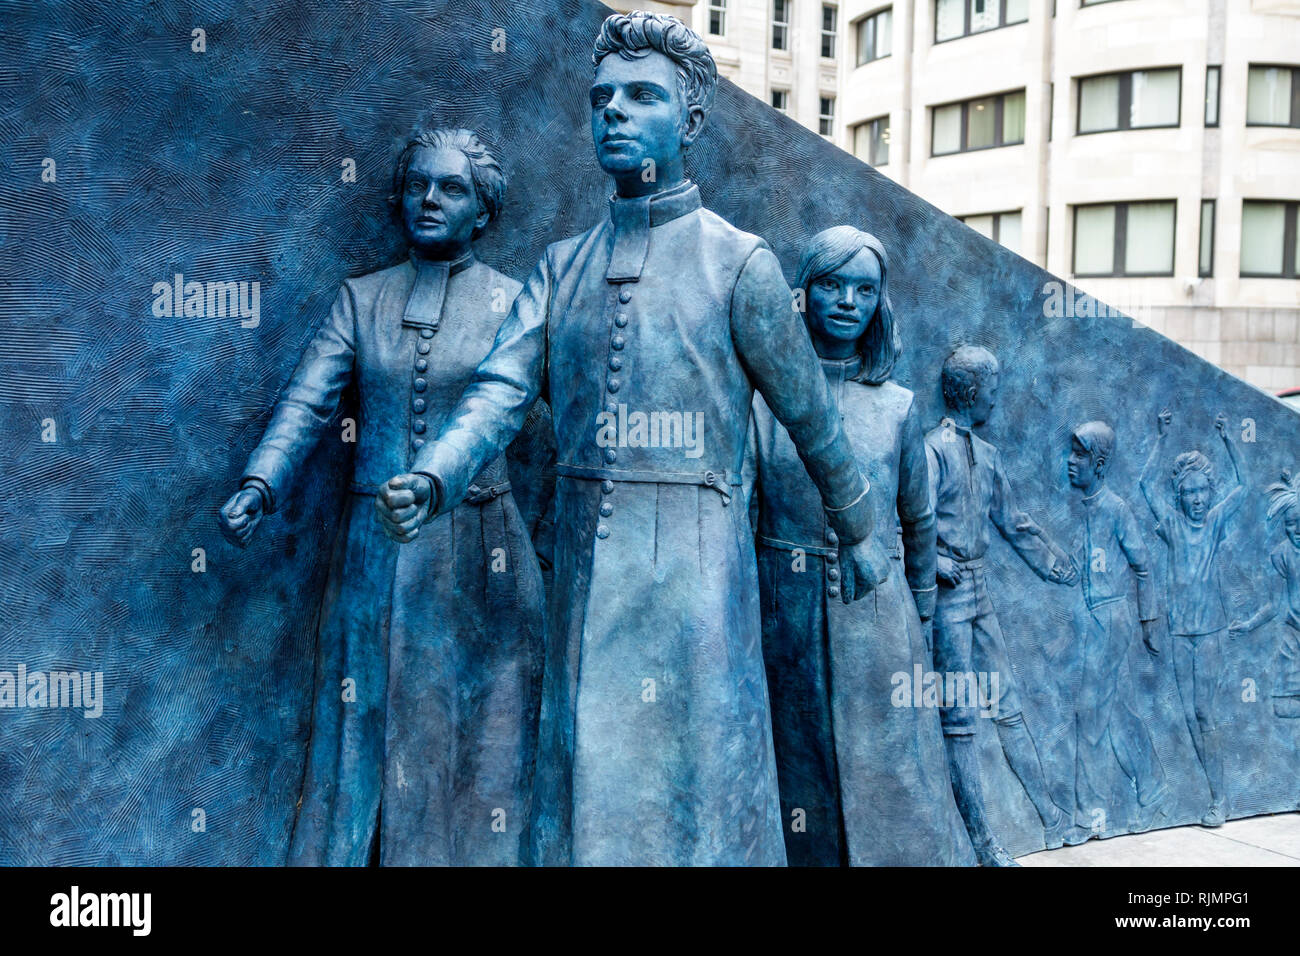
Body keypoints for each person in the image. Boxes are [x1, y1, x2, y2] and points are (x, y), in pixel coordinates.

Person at [374, 12, 892, 866]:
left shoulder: (740, 264)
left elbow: (812, 418)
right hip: (585, 564)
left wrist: (863, 530)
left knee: (694, 775)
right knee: (584, 772)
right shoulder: (561, 264)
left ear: (688, 123)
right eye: (601, 97)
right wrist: (434, 476)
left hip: (694, 569)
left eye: (641, 95)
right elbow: (499, 391)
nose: (613, 111)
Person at [218, 128, 550, 865]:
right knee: (361, 719)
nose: (429, 199)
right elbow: (309, 404)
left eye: (452, 188)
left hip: (481, 549)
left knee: (472, 733)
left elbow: (554, 424)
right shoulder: (360, 300)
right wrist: (261, 481)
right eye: (417, 184)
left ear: (484, 212)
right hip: (375, 548)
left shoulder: (517, 301)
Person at [746, 226, 972, 865]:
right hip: (783, 607)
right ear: (803, 295)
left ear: (881, 304)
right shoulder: (762, 404)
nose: (848, 301)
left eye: (864, 289)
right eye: (832, 286)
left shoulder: (898, 407)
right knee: (799, 750)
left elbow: (919, 519)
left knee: (888, 757)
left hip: (877, 613)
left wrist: (923, 609)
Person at [925, 346, 1077, 865]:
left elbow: (1014, 522)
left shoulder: (988, 456)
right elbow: (909, 522)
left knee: (1007, 708)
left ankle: (1051, 818)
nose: (998, 396)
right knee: (959, 718)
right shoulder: (931, 450)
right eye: (993, 388)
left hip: (981, 593)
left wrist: (1055, 564)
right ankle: (983, 844)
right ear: (971, 393)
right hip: (947, 601)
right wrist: (931, 564)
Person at [1139, 409, 1247, 827]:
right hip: (1180, 630)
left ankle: (1220, 798)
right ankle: (1208, 790)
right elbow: (1144, 485)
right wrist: (1160, 437)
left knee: (1204, 711)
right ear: (1180, 496)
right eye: (1190, 493)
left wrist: (1228, 440)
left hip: (1211, 630)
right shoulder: (1171, 522)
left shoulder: (1217, 520)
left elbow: (1243, 487)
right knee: (1188, 715)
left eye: (1203, 491)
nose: (1198, 499)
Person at [1065, 421, 1169, 836]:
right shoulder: (1085, 506)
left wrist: (1148, 622)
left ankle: (1090, 815)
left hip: (1111, 620)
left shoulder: (1116, 507)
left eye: (1079, 455)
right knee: (1120, 715)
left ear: (1100, 464)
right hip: (1095, 619)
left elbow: (1143, 566)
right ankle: (1155, 787)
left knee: (1089, 714)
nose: (1070, 462)